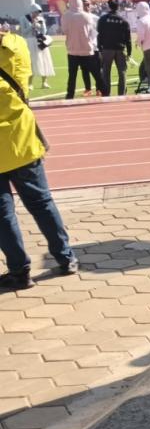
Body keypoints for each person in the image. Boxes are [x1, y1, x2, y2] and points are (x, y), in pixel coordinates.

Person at [0, 35, 77, 290]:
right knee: (42, 203)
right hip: (22, 138)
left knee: (3, 214)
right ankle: (66, 258)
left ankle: (19, 271)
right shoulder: (16, 44)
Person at [62, 0, 100, 100]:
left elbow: (64, 31)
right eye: (85, 4)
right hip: (87, 48)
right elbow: (92, 32)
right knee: (91, 72)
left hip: (77, 49)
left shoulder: (66, 16)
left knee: (75, 75)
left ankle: (70, 95)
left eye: (88, 4)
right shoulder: (86, 16)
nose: (87, 6)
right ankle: (98, 89)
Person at [22, 7, 55, 90]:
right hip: (30, 42)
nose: (37, 14)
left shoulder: (40, 19)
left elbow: (44, 31)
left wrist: (40, 25)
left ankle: (44, 82)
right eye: (36, 12)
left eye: (38, 12)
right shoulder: (24, 18)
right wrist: (32, 26)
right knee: (31, 62)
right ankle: (30, 84)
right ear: (32, 11)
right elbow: (24, 32)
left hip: (40, 41)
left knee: (44, 60)